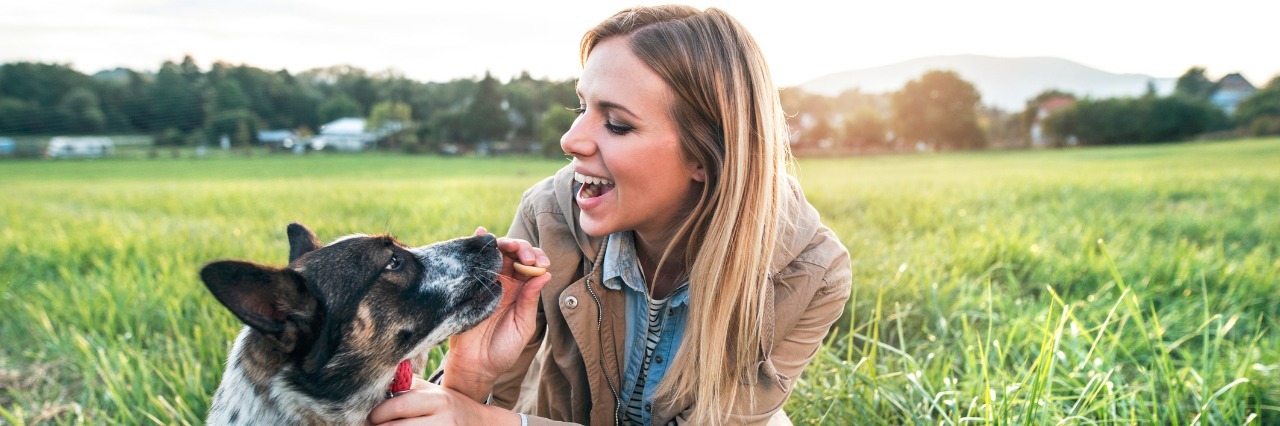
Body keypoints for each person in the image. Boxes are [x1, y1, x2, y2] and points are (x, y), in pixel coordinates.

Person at [369, 5, 851, 425]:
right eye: (581, 107)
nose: (571, 140)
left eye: (616, 124)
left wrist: (492, 422)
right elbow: (457, 413)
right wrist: (470, 377)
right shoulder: (549, 215)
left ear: (706, 158)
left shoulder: (807, 272)